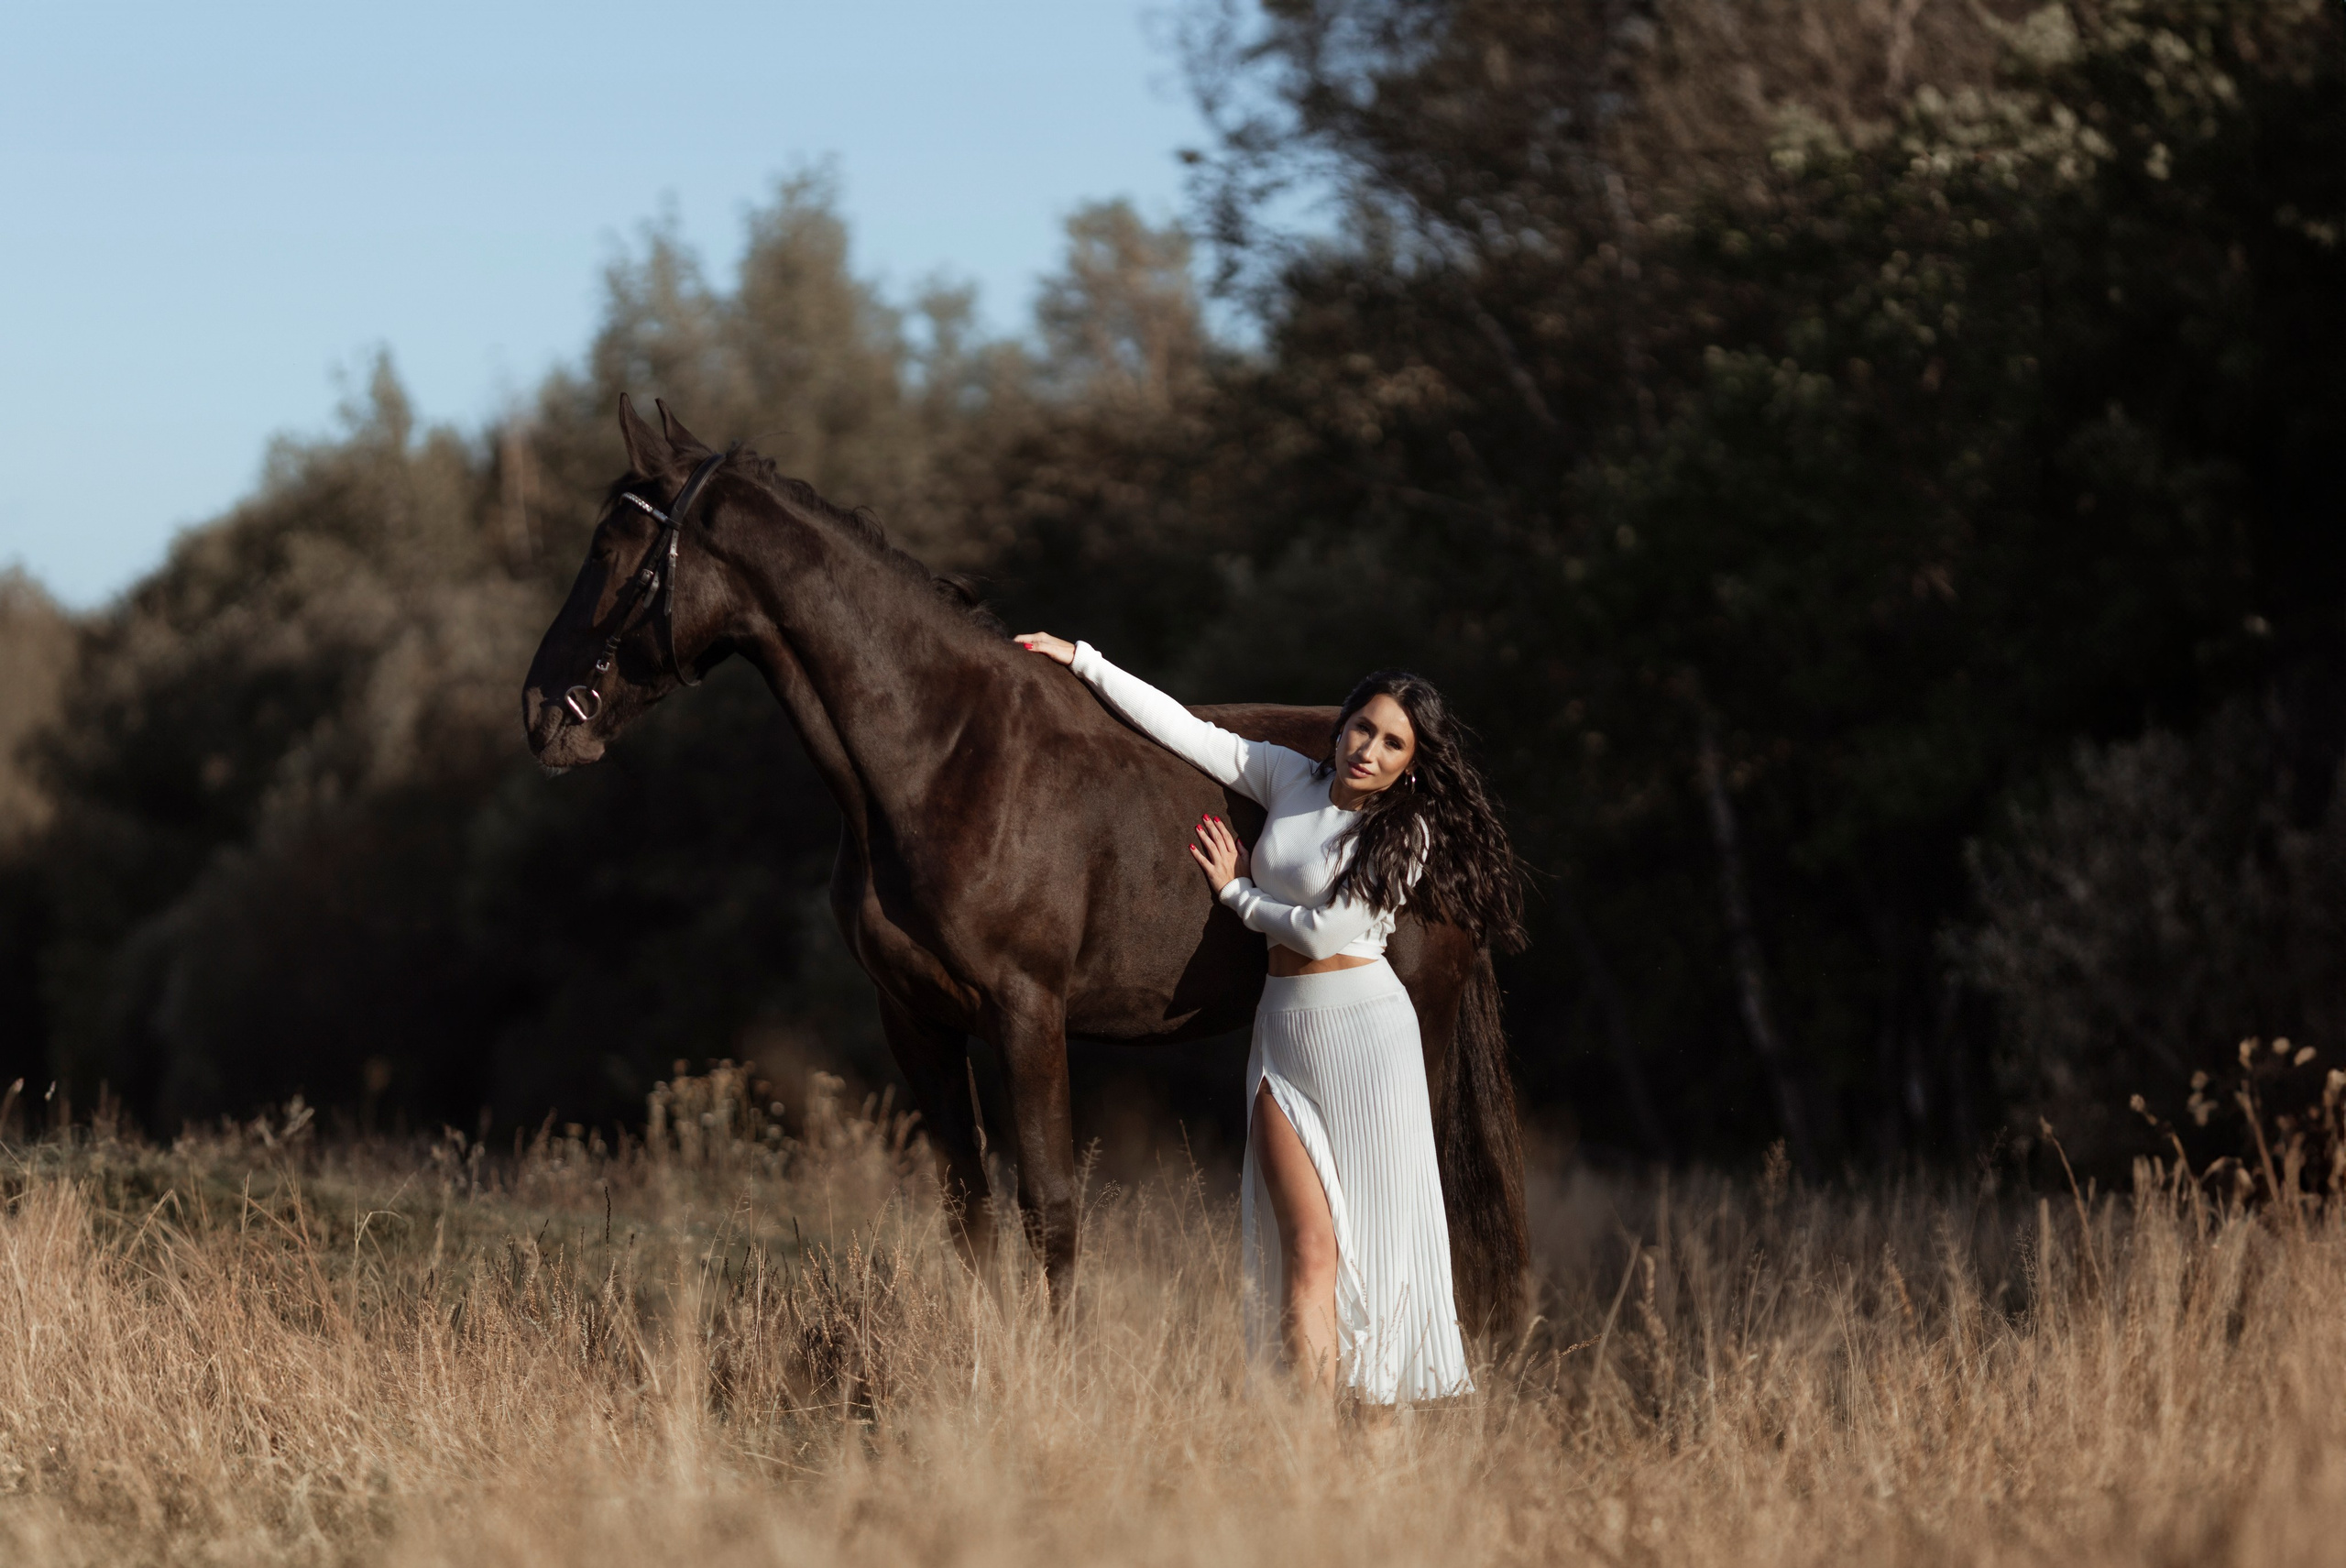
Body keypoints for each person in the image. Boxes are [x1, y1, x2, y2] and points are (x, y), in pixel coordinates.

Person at [1016, 631, 1523, 1405]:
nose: (1369, 750)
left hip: (1368, 1041)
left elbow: (1323, 932)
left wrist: (1235, 895)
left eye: (1393, 743)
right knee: (1308, 1252)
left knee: (1379, 1256)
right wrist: (1082, 657)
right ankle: (1309, 1462)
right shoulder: (1289, 776)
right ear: (1342, 722)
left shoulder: (1404, 830)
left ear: (1410, 763)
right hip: (1286, 1036)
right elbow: (1184, 730)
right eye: (1363, 726)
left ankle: (1380, 1436)